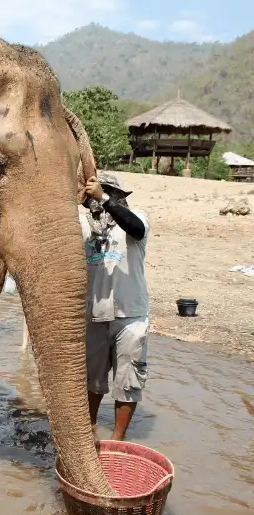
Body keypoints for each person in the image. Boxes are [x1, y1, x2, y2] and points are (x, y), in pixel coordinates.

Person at [80, 171, 150, 442]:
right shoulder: (86, 227)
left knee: (128, 381)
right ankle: (90, 431)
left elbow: (137, 228)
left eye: (107, 192)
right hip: (95, 315)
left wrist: (106, 200)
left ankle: (118, 439)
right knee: (92, 380)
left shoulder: (136, 220)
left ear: (118, 196)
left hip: (130, 316)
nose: (97, 200)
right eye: (93, 195)